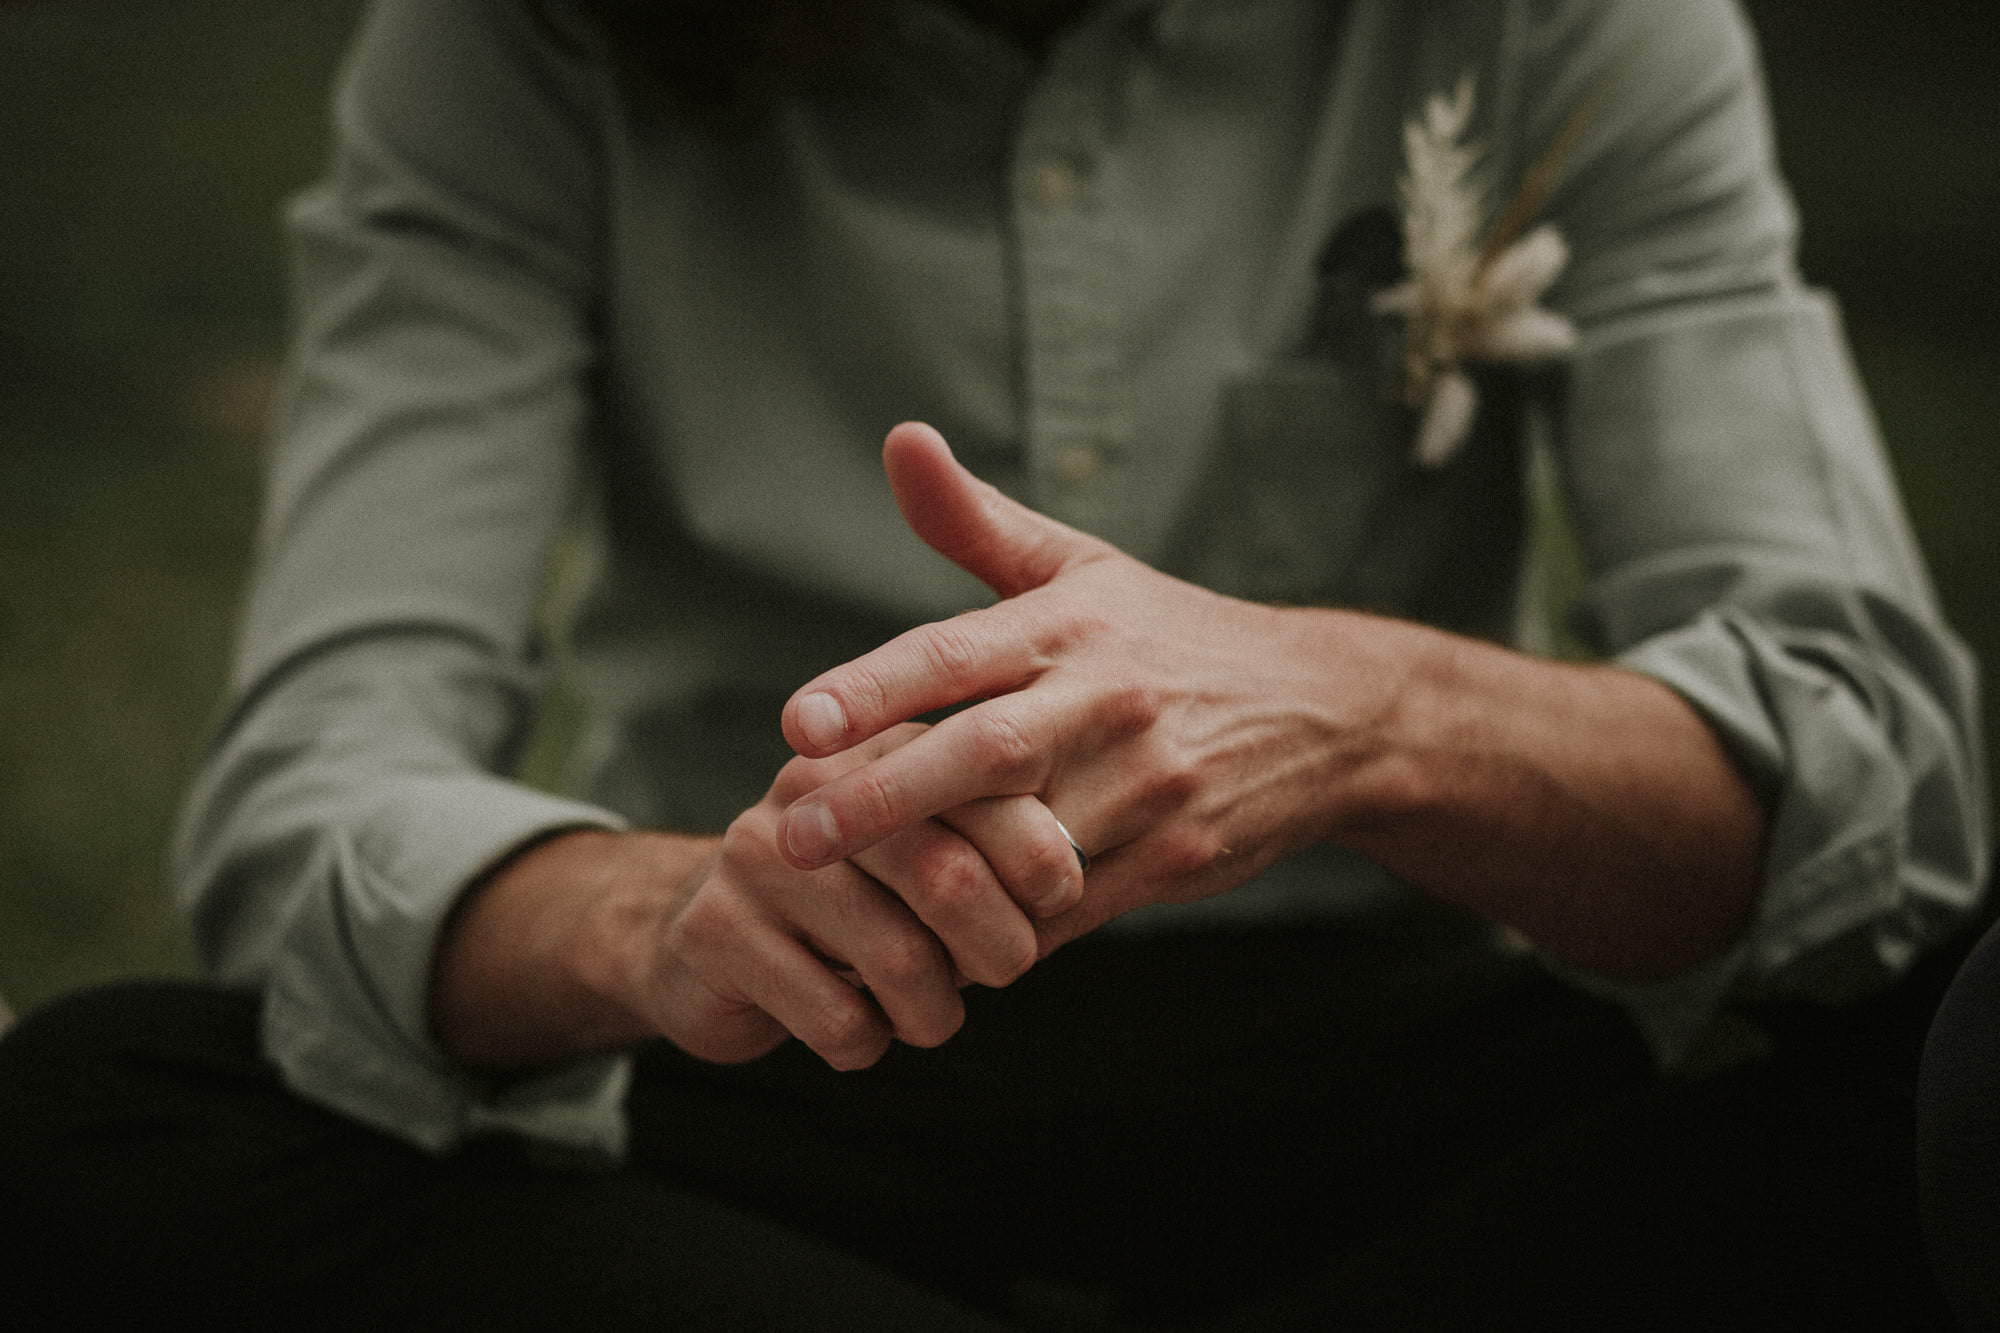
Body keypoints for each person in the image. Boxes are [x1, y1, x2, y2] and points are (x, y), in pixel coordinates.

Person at [0, 0, 1985, 1326]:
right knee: (98, 1113)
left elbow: (1875, 784)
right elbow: (310, 800)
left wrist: (1367, 715)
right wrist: (664, 914)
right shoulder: (516, 40)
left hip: (1422, 1087)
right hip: (762, 1091)